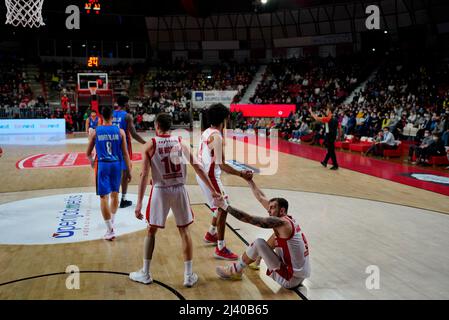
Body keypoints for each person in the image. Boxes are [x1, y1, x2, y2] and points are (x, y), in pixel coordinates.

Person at [129, 113, 221, 288]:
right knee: (184, 231)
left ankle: (146, 273)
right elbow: (198, 166)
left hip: (160, 190)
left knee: (151, 230)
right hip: (179, 189)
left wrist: (139, 202)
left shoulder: (150, 145)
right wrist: (213, 190)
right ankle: (188, 276)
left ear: (156, 125)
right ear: (170, 126)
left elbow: (143, 175)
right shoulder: (180, 142)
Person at [214, 178, 311, 289]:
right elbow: (261, 198)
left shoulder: (281, 223)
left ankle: (235, 270)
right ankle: (257, 260)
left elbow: (250, 219)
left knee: (258, 243)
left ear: (282, 210)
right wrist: (250, 181)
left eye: (272, 208)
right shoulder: (288, 222)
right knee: (275, 236)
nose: (269, 210)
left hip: (289, 279)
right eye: (269, 208)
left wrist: (225, 206)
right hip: (299, 276)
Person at [197, 103, 253, 260]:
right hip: (210, 176)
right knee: (223, 208)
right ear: (224, 119)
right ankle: (220, 248)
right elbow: (223, 165)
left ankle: (211, 233)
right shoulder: (217, 137)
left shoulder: (207, 131)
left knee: (220, 206)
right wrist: (242, 174)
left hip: (203, 173)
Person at [86, 106, 132, 241]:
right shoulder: (120, 131)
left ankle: (110, 230)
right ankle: (112, 221)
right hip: (117, 165)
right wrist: (128, 170)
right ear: (112, 118)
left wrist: (91, 161)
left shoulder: (96, 131)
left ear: (101, 118)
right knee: (115, 194)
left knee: (103, 198)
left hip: (103, 165)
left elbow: (88, 153)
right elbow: (125, 153)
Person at [112, 95, 147, 208]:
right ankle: (123, 200)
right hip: (124, 147)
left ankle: (114, 199)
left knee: (115, 173)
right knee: (126, 173)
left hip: (112, 146)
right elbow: (134, 134)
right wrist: (145, 143)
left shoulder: (111, 114)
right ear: (126, 104)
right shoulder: (127, 116)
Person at [309, 104, 339, 170]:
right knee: (330, 150)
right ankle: (325, 162)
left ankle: (335, 165)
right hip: (333, 136)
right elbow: (339, 128)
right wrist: (338, 136)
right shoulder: (335, 118)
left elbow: (316, 118)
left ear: (330, 111)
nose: (326, 111)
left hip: (330, 136)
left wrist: (311, 112)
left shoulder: (328, 118)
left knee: (331, 151)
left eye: (327, 110)